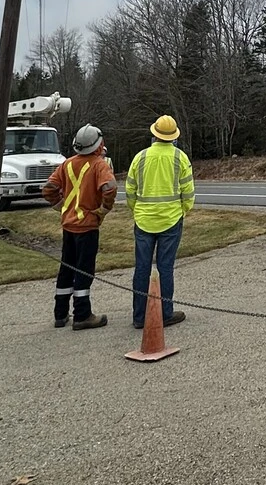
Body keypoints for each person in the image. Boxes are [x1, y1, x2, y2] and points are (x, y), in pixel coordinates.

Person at [41, 124, 118, 330]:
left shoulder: (67, 164)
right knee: (84, 270)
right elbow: (110, 187)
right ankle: (82, 314)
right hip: (87, 226)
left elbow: (48, 188)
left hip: (69, 225)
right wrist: (103, 209)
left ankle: (60, 313)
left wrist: (61, 207)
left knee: (67, 268)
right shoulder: (99, 165)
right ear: (97, 145)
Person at [126, 115, 195, 329]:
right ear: (173, 137)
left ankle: (139, 317)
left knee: (142, 269)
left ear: (154, 134)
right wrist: (183, 211)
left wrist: (136, 211)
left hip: (144, 220)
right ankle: (165, 313)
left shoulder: (140, 157)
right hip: (171, 219)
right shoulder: (180, 158)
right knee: (165, 268)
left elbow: (130, 189)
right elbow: (188, 192)